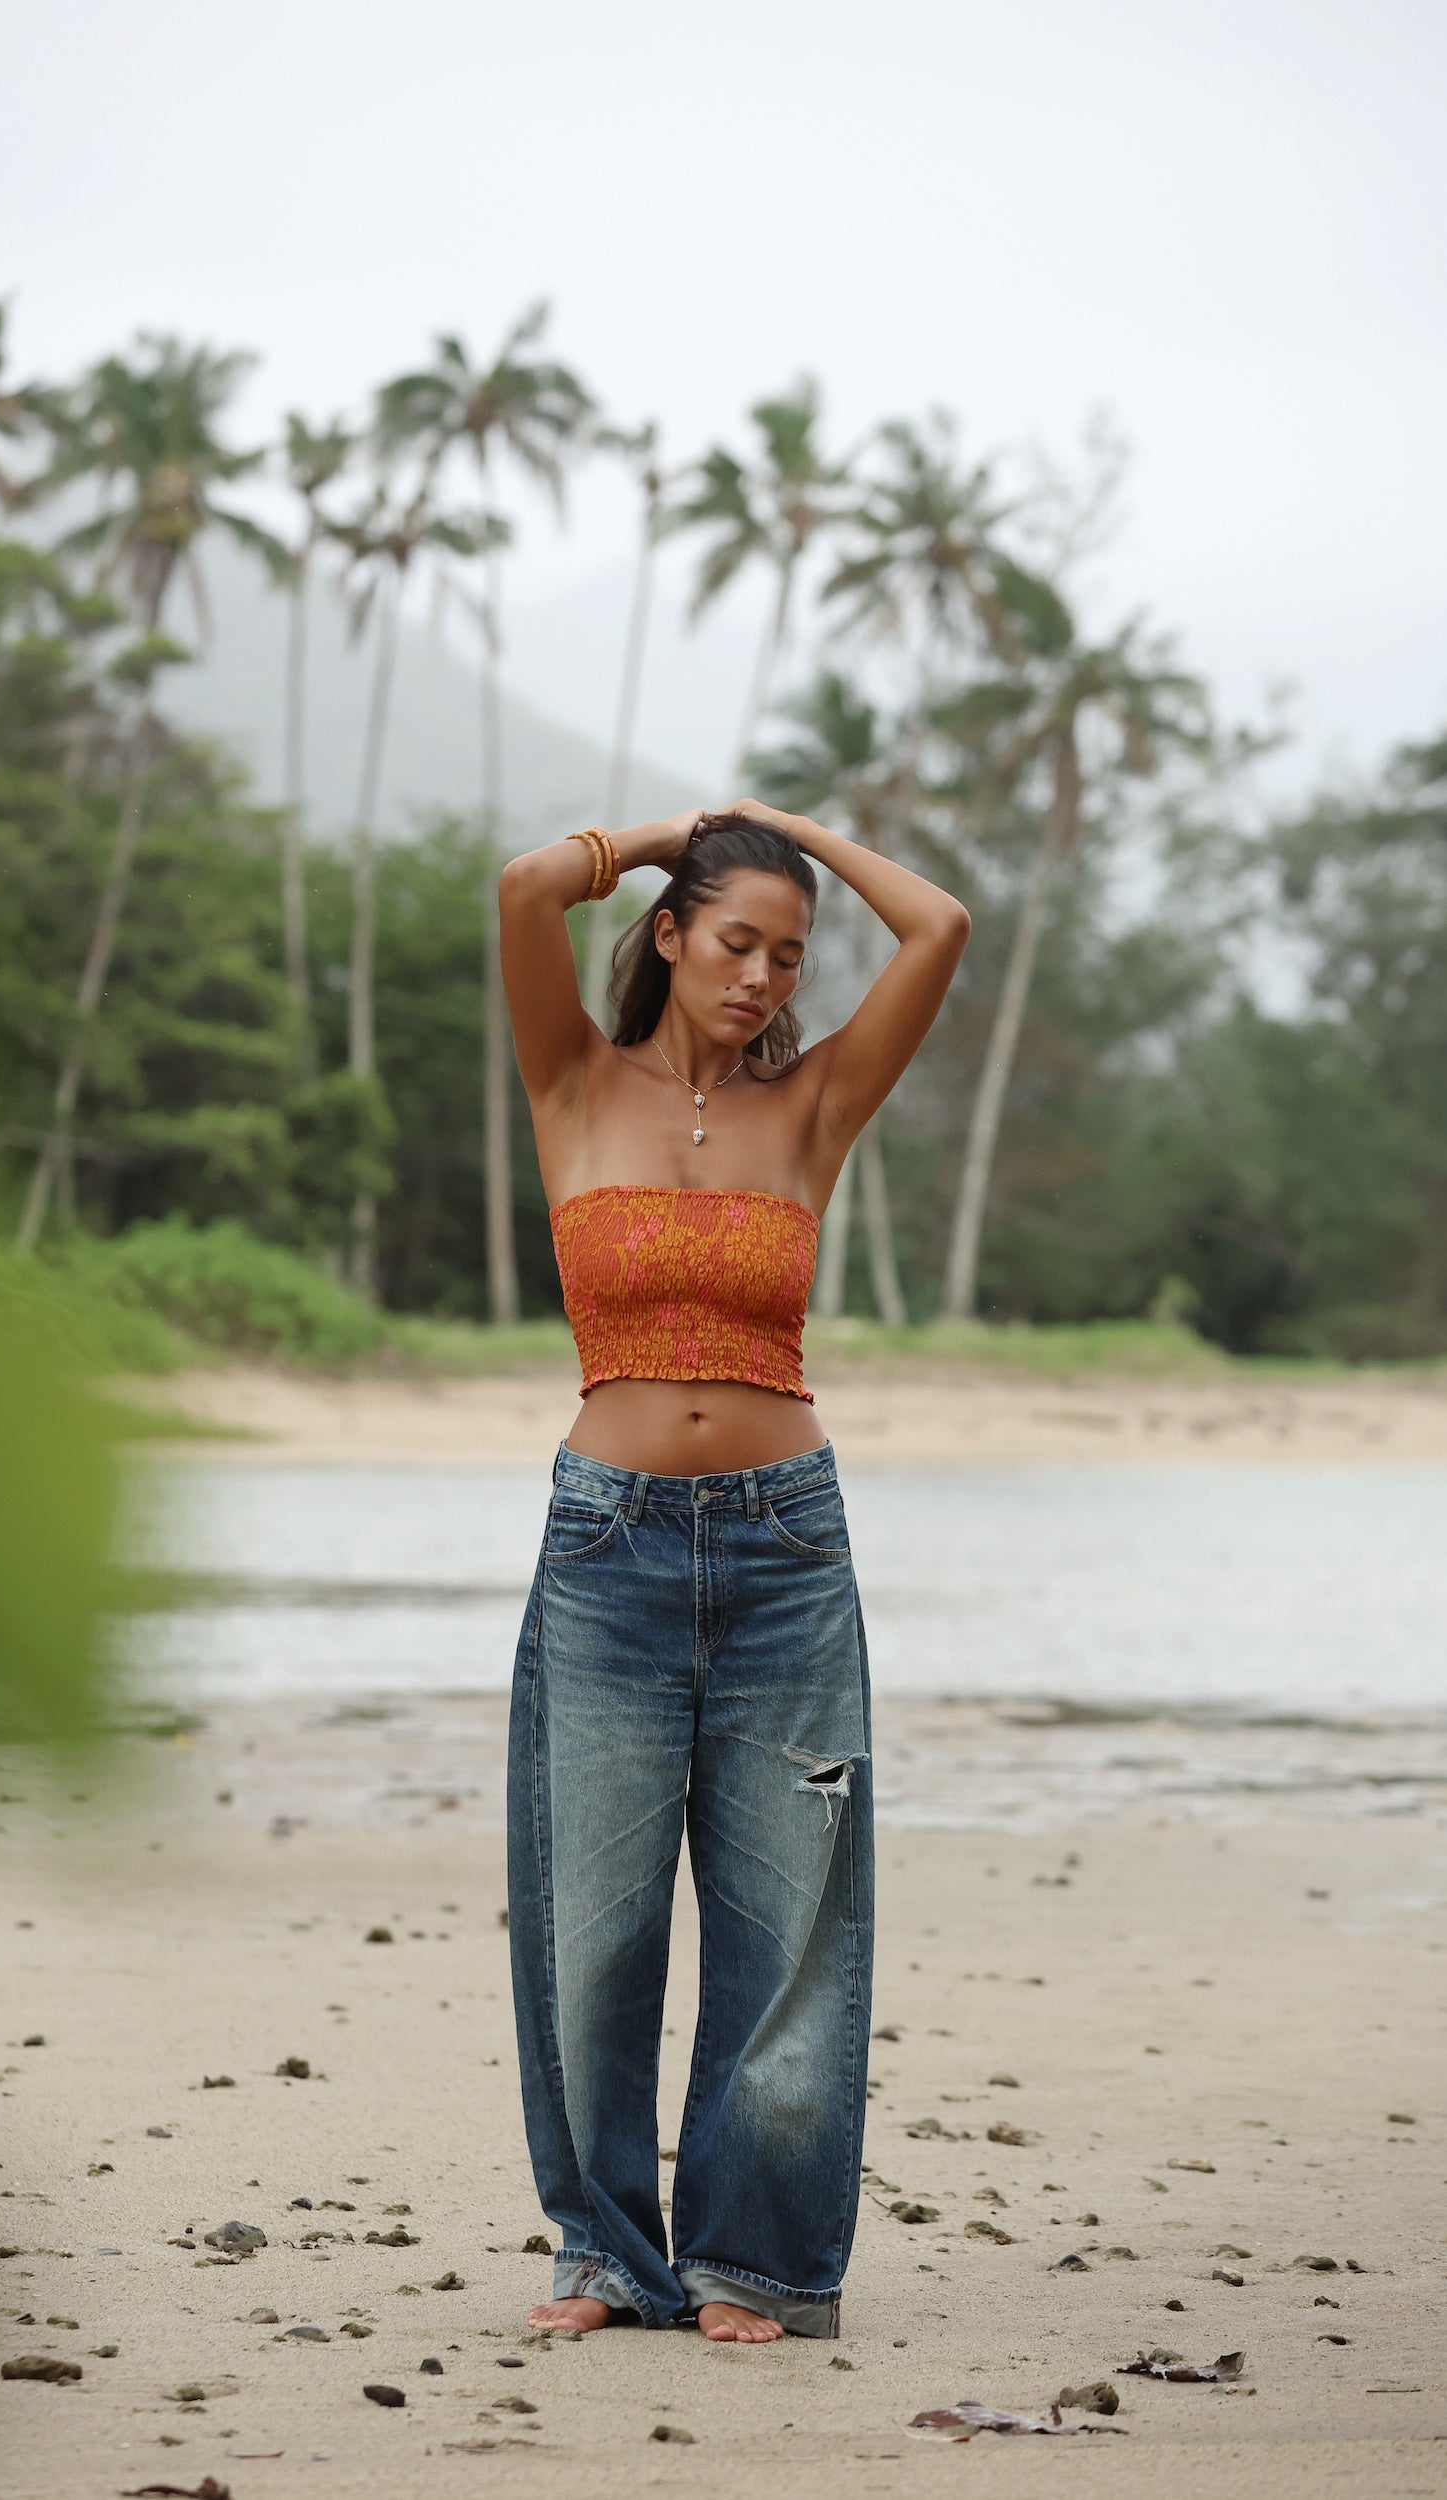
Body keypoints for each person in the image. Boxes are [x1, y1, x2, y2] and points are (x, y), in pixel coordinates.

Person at [499, 801, 969, 2345]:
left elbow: (944, 929)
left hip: (784, 1548)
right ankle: (605, 2253)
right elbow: (521, 888)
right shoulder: (572, 1079)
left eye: (791, 953)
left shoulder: (814, 1105)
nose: (765, 977)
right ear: (669, 936)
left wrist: (807, 839)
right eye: (738, 942)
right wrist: (659, 834)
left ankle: (753, 2260)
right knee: (599, 1922)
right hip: (608, 1545)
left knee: (789, 1918)